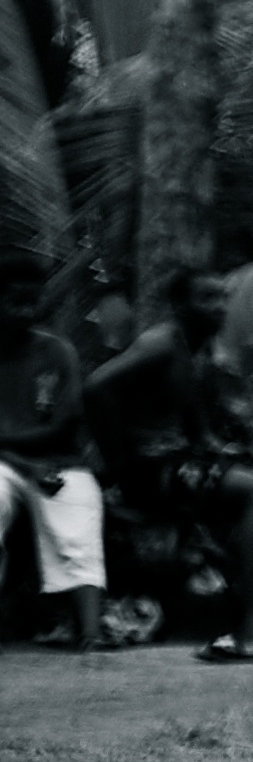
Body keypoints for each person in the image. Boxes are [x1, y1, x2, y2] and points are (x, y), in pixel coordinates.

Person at [89, 269, 253, 661]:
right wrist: (121, 465)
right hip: (154, 469)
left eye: (223, 297)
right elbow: (95, 388)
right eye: (207, 298)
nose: (220, 307)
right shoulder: (160, 344)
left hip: (185, 460)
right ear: (180, 306)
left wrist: (225, 450)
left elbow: (196, 425)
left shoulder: (199, 348)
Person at [0, 259, 108, 652]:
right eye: (15, 302)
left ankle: (91, 634)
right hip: (12, 464)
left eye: (32, 302)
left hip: (57, 459)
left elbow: (65, 422)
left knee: (76, 510)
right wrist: (24, 464)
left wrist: (23, 455)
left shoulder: (56, 350)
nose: (25, 312)